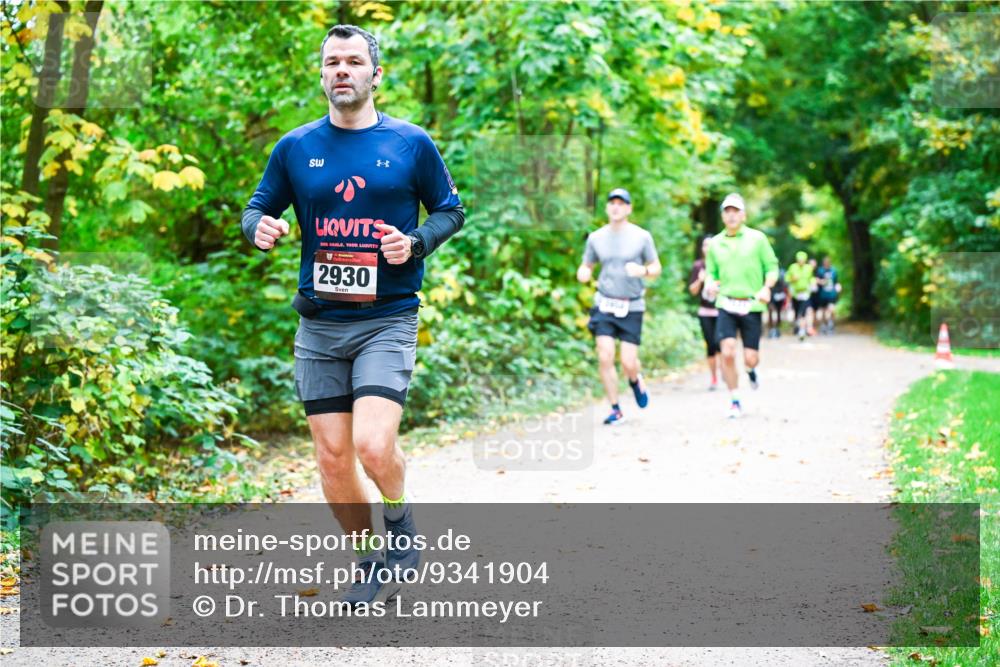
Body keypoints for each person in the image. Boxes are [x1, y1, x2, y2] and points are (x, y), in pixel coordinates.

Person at [241, 24, 464, 606]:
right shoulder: (294, 147)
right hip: (318, 325)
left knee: (370, 443)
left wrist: (413, 243)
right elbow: (258, 206)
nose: (342, 70)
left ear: (375, 74)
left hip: (387, 318)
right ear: (322, 75)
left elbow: (450, 210)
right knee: (333, 459)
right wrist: (259, 227)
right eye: (332, 62)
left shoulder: (411, 143)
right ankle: (369, 561)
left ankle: (399, 515)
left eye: (353, 61)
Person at [577, 188, 662, 425]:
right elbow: (587, 265)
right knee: (605, 356)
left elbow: (656, 267)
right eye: (612, 203)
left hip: (632, 306)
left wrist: (643, 271)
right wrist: (583, 273)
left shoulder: (642, 237)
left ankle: (635, 380)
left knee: (627, 362)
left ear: (629, 208)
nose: (616, 207)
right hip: (604, 304)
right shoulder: (596, 238)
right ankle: (615, 408)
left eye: (621, 203)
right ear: (607, 208)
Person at [704, 192, 779, 419]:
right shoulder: (715, 244)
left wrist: (767, 287)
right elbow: (710, 273)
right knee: (726, 352)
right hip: (726, 304)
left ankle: (751, 370)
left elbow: (772, 267)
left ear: (744, 215)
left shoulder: (758, 239)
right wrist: (710, 284)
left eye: (735, 211)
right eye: (727, 211)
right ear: (722, 216)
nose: (731, 215)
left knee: (750, 357)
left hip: (751, 305)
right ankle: (734, 399)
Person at [688, 235, 720, 390]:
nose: (708, 248)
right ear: (702, 248)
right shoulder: (698, 266)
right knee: (711, 345)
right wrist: (700, 280)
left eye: (711, 245)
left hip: (721, 311)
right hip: (705, 312)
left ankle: (725, 373)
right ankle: (714, 378)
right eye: (705, 245)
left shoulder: (722, 265)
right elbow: (692, 291)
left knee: (722, 344)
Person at [785, 251, 815, 341]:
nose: (801, 261)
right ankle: (798, 327)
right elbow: (786, 278)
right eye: (799, 260)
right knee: (797, 312)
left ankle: (802, 330)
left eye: (802, 260)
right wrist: (792, 278)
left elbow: (811, 278)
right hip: (795, 294)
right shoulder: (792, 267)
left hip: (805, 294)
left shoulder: (809, 268)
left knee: (803, 312)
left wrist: (813, 283)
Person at [815, 255, 842, 334]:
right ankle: (823, 325)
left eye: (828, 262)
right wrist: (821, 282)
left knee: (831, 309)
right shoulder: (820, 270)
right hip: (823, 294)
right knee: (823, 311)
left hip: (832, 294)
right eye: (825, 262)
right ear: (823, 263)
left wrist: (838, 287)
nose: (827, 263)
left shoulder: (834, 271)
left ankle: (831, 324)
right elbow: (816, 280)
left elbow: (836, 282)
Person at [767, 267, 788, 339]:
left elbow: (784, 286)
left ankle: (777, 329)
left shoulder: (781, 273)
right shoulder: (769, 272)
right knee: (770, 312)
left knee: (778, 313)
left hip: (779, 296)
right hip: (771, 295)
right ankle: (771, 328)